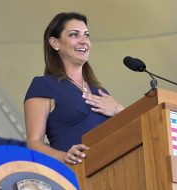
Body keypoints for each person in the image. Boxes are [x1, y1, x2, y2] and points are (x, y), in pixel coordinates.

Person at [24, 12, 124, 165]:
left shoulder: (101, 92)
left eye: (86, 35)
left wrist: (118, 109)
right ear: (55, 43)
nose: (84, 41)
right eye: (74, 35)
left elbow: (129, 133)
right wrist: (64, 156)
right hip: (71, 177)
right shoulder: (44, 85)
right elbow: (33, 144)